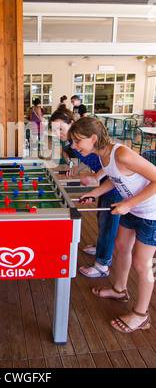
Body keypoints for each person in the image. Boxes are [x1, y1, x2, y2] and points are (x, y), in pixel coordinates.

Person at [68, 116, 156, 333]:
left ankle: (141, 315)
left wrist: (128, 204)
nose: (74, 146)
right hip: (132, 208)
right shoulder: (104, 156)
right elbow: (114, 178)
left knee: (142, 263)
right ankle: (119, 289)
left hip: (150, 212)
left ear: (93, 138)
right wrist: (94, 193)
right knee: (121, 247)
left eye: (78, 141)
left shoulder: (121, 153)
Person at [50, 109, 122, 278]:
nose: (57, 133)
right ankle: (101, 246)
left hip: (114, 182)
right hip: (105, 182)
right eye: (54, 129)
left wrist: (96, 177)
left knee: (108, 221)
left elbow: (109, 160)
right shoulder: (74, 144)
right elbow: (88, 159)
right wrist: (78, 168)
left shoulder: (83, 139)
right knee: (101, 217)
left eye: (60, 128)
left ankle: (102, 263)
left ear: (72, 125)